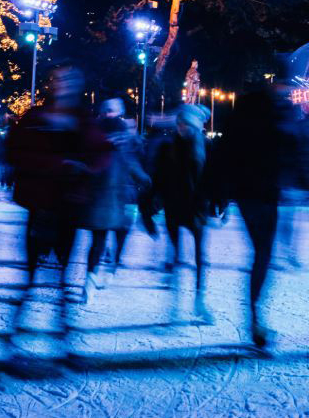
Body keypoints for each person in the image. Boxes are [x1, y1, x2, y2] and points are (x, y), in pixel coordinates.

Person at [5, 65, 111, 348]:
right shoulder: (35, 116)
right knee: (30, 275)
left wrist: (88, 168)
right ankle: (16, 334)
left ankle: (62, 337)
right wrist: (58, 164)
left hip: (68, 207)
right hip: (40, 206)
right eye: (58, 79)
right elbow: (13, 150)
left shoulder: (82, 119)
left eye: (69, 79)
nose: (63, 84)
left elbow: (103, 151)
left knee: (63, 274)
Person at [209, 84, 286, 349]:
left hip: (249, 194)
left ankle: (254, 315)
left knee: (262, 252)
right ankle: (254, 315)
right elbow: (282, 153)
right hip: (263, 193)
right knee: (263, 254)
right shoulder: (271, 121)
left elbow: (221, 157)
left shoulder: (238, 123)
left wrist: (219, 194)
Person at [150, 103, 213, 322]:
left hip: (196, 208)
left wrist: (218, 202)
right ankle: (174, 305)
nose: (181, 127)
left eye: (185, 124)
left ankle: (199, 301)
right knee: (175, 256)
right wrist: (151, 202)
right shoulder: (169, 148)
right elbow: (158, 178)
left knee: (199, 258)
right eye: (179, 123)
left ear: (194, 126)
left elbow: (214, 177)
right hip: (174, 207)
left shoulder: (206, 146)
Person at [80, 99, 148, 300]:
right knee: (99, 240)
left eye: (113, 111)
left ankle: (109, 271)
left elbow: (132, 161)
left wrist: (143, 179)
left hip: (122, 195)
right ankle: (91, 279)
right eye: (107, 110)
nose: (110, 114)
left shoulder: (125, 137)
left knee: (119, 235)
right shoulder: (96, 134)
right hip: (104, 195)